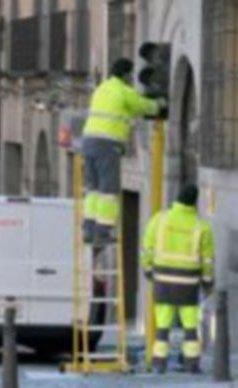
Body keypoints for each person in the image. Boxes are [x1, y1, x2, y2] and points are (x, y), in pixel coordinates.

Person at [82, 58, 165, 246]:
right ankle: (103, 232)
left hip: (89, 142)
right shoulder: (124, 91)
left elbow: (124, 111)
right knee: (108, 190)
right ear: (126, 74)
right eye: (131, 74)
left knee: (92, 189)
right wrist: (160, 103)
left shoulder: (101, 89)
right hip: (107, 145)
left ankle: (88, 229)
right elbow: (143, 106)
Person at [141, 184, 214, 374]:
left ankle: (159, 364)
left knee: (162, 326)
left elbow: (147, 248)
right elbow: (207, 260)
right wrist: (207, 282)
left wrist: (149, 270)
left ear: (177, 197)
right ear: (194, 202)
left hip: (163, 281)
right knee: (190, 328)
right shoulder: (201, 226)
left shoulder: (160, 219)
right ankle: (192, 364)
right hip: (188, 284)